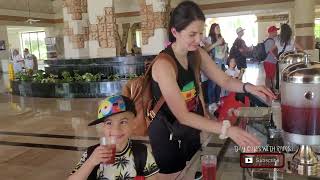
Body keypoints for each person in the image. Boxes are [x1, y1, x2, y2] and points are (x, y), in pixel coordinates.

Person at [148, 1, 276, 179]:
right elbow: (182, 115)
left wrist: (249, 88)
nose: (199, 39)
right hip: (167, 131)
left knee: (191, 170)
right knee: (174, 175)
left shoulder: (196, 53)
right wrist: (227, 129)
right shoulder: (164, 65)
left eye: (200, 33)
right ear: (175, 32)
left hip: (191, 126)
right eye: (192, 34)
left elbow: (223, 79)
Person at [68, 95, 159, 180]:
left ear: (134, 124)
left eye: (123, 122)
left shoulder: (142, 152)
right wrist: (91, 162)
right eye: (109, 123)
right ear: (103, 127)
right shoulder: (91, 153)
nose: (116, 130)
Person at [202, 23, 228, 110]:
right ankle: (211, 102)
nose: (218, 29)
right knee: (212, 84)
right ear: (212, 29)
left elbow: (224, 51)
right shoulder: (209, 39)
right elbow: (205, 50)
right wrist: (216, 43)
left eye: (219, 27)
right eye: (216, 28)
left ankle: (217, 100)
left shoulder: (221, 38)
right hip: (213, 64)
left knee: (219, 83)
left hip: (221, 64)